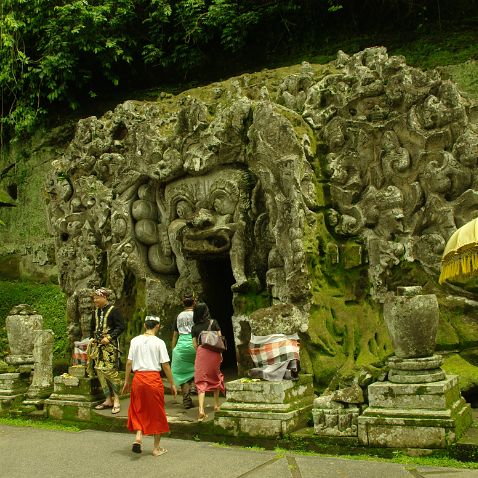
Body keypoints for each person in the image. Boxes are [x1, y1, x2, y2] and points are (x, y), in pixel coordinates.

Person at [122, 316, 177, 456]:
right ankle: (156, 448)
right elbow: (165, 365)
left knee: (138, 408)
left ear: (145, 325)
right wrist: (172, 383)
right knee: (156, 411)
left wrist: (126, 380)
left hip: (138, 379)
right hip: (153, 379)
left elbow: (129, 362)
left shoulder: (135, 340)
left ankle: (139, 436)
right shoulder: (159, 342)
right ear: (157, 326)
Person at [87, 287, 125, 414]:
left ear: (104, 297)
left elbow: (121, 327)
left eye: (97, 298)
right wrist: (92, 340)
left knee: (111, 371)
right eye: (94, 298)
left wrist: (109, 337)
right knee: (99, 371)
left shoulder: (114, 311)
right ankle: (107, 399)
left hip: (110, 347)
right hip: (97, 347)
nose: (95, 300)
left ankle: (117, 399)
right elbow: (92, 328)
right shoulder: (95, 312)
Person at [191, 302, 225, 421]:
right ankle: (216, 405)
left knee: (201, 380)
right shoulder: (213, 322)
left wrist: (201, 351)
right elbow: (220, 339)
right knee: (215, 376)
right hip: (214, 353)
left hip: (202, 353)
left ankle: (201, 410)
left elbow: (195, 345)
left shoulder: (194, 327)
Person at [171, 294, 197, 409]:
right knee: (198, 367)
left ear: (183, 303)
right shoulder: (197, 315)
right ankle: (194, 385)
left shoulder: (178, 316)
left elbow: (175, 335)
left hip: (181, 346)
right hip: (194, 344)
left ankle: (186, 400)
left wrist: (173, 349)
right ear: (194, 302)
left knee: (182, 373)